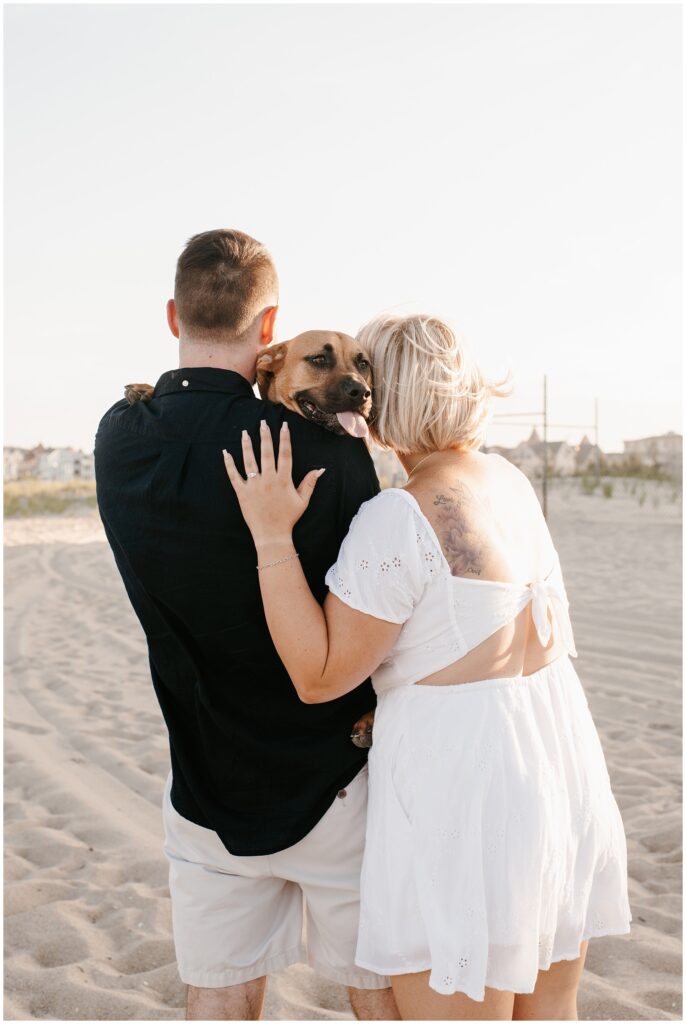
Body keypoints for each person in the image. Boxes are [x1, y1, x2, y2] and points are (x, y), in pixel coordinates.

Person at [223, 312, 632, 1021]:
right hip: (559, 770)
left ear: (390, 403)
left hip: (463, 795)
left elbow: (320, 676)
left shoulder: (399, 518)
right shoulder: (509, 482)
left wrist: (270, 535)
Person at [95, 229, 399, 1021]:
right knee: (378, 992)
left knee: (220, 995)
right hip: (334, 778)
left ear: (173, 315)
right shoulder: (327, 455)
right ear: (270, 331)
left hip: (202, 782)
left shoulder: (118, 437)